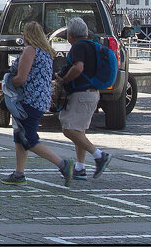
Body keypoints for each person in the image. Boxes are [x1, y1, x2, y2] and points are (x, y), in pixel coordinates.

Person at [1, 21, 74, 186]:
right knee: (20, 136)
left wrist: (7, 83)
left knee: (29, 139)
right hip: (41, 100)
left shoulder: (30, 51)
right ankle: (19, 173)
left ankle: (63, 165)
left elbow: (21, 78)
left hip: (28, 100)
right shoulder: (46, 52)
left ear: (27, 35)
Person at [54, 16, 113, 180]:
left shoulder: (78, 46)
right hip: (92, 93)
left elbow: (78, 67)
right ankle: (80, 167)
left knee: (68, 129)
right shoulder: (92, 45)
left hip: (81, 93)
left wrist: (65, 79)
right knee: (79, 131)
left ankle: (99, 155)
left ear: (71, 35)